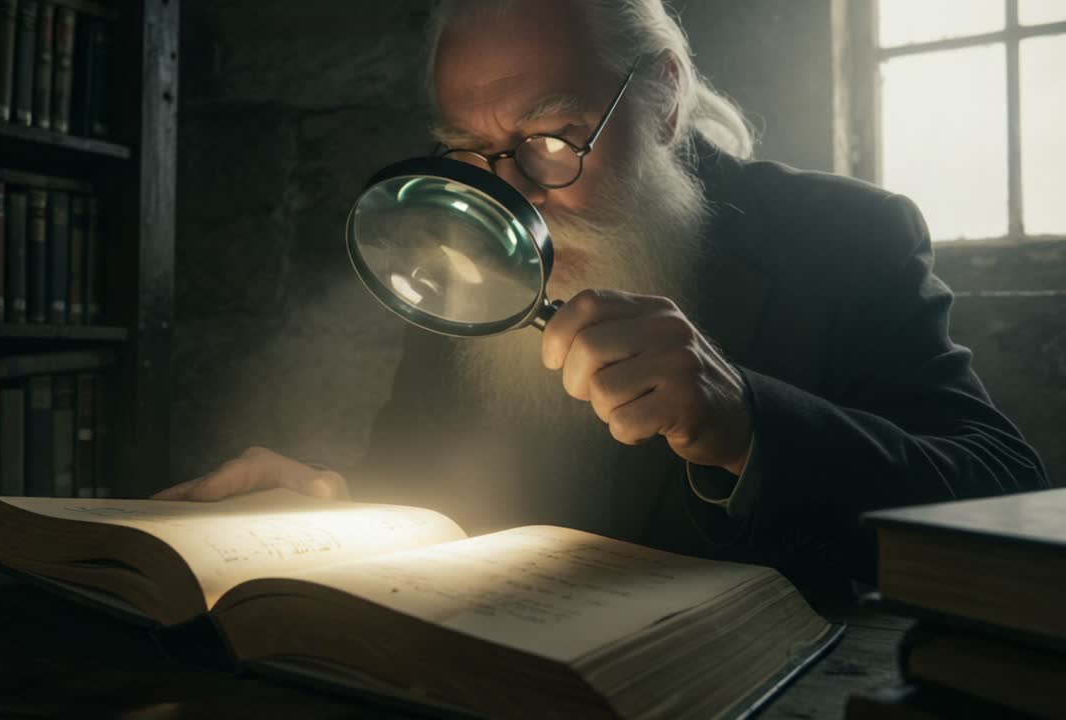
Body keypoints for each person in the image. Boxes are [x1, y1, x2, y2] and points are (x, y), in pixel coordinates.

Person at [157, 0, 1047, 584]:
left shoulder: (846, 235)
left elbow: (1001, 492)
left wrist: (744, 424)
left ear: (662, 99)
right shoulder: (472, 257)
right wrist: (327, 501)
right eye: (468, 149)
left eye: (554, 135)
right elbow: (423, 479)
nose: (511, 196)